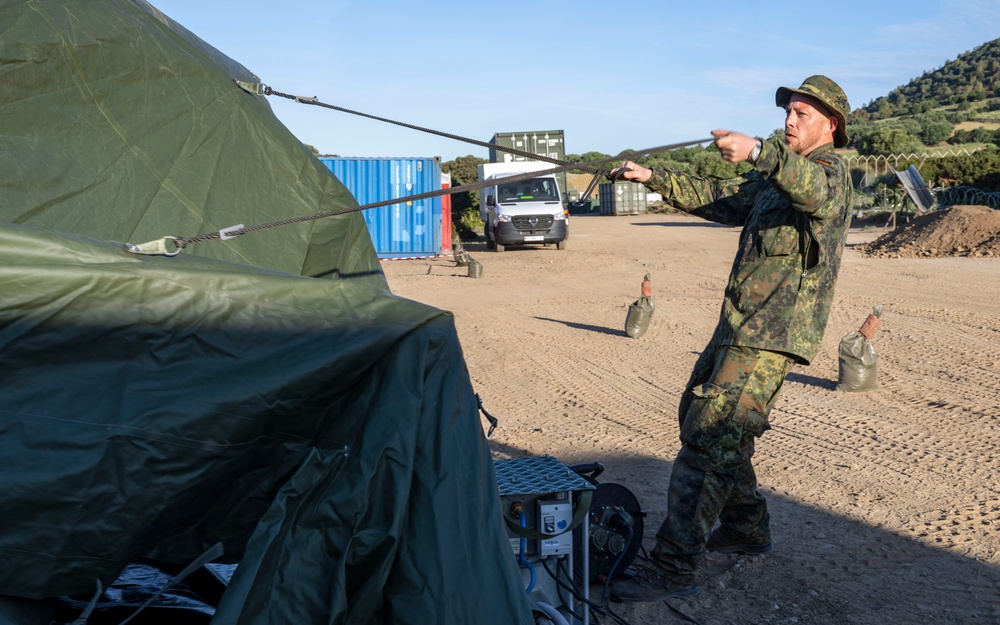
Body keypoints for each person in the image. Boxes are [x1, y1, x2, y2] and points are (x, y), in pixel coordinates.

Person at [611, 76, 853, 602]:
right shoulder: (777, 181)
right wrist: (650, 174)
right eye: (788, 112)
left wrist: (758, 150)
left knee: (708, 439)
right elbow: (721, 199)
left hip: (771, 333)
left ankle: (674, 567)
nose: (790, 120)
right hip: (742, 325)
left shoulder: (831, 174)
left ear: (830, 125)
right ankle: (746, 530)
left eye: (803, 115)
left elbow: (809, 190)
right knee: (710, 427)